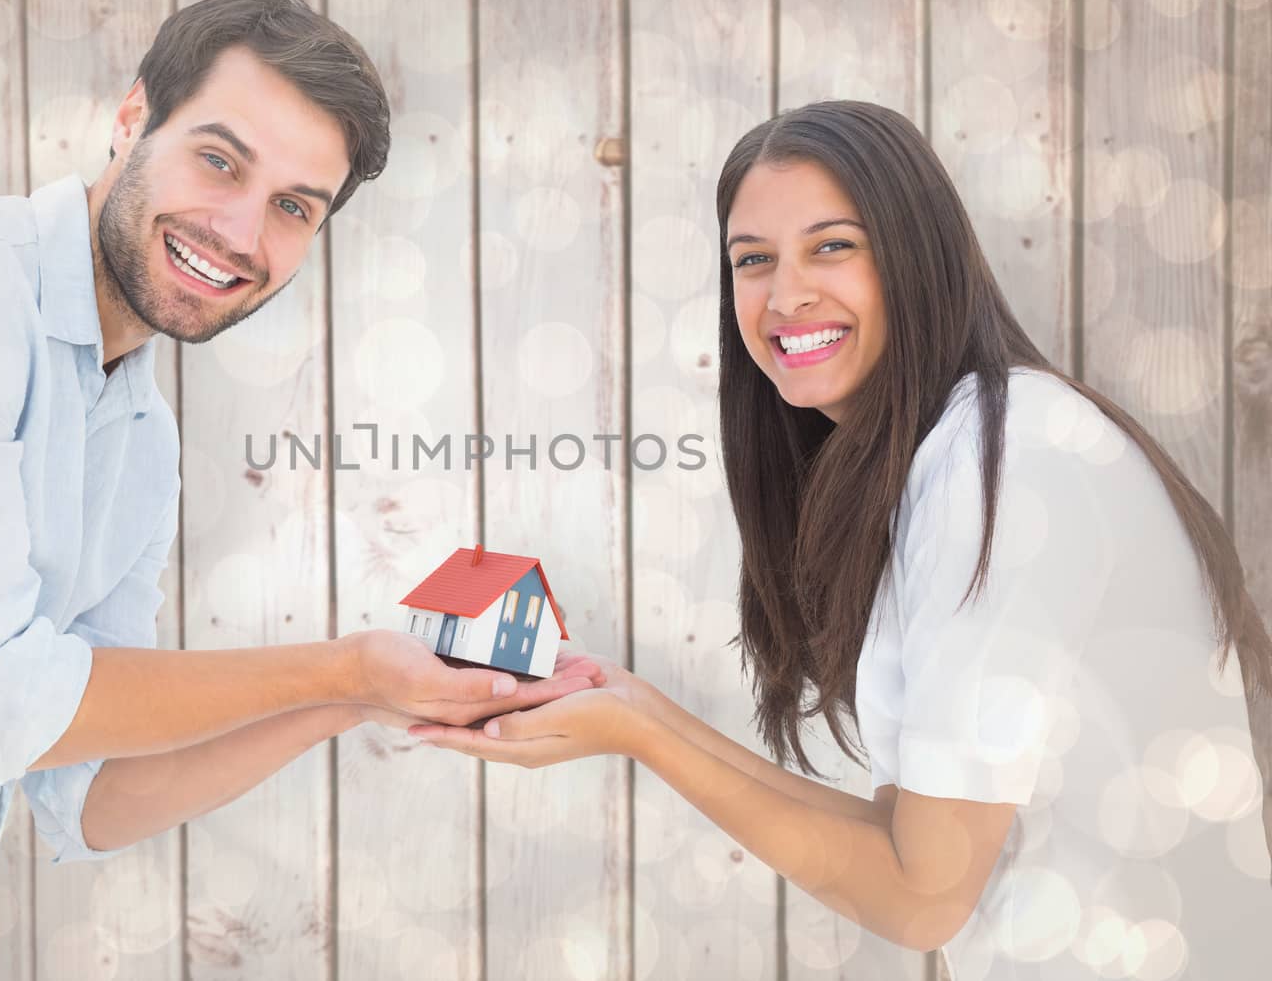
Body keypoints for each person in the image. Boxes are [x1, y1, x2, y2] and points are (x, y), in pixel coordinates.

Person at [0, 0, 597, 980]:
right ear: (130, 120)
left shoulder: (140, 438)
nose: (242, 230)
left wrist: (363, 701)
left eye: (292, 206)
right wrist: (345, 667)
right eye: (218, 159)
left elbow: (90, 793)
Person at [412, 100, 1272, 979]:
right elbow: (906, 848)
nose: (786, 295)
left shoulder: (1009, 458)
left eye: (833, 245)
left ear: (917, 254)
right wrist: (631, 709)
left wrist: (644, 737)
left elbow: (921, 897)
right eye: (754, 261)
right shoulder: (957, 456)